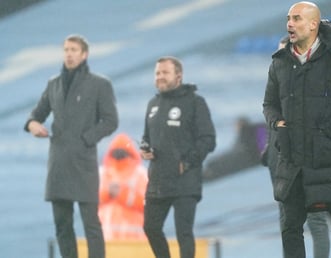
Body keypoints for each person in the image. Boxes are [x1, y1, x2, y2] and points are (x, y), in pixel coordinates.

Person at [262, 2, 331, 258]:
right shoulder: (279, 63)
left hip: (329, 159)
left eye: (296, 18)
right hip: (293, 163)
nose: (289, 24)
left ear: (313, 24)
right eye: (288, 19)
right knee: (290, 230)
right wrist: (278, 124)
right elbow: (269, 104)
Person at [24, 34, 118, 258]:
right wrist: (32, 125)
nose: (69, 53)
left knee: (91, 225)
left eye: (74, 49)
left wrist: (86, 139)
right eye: (66, 49)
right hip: (59, 163)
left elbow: (110, 120)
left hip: (83, 161)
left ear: (84, 54)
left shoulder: (99, 84)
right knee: (62, 225)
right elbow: (36, 115)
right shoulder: (53, 83)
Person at [261, 34, 330, 258]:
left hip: (309, 162)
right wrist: (268, 153)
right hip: (280, 164)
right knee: (287, 223)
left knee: (316, 220)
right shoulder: (275, 90)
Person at [141, 56, 216, 258]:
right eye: (157, 73)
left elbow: (209, 139)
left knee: (184, 233)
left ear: (179, 76)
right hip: (158, 178)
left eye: (165, 72)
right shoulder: (153, 104)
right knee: (150, 227)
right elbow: (147, 137)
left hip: (185, 179)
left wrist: (188, 162)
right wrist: (145, 148)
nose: (160, 77)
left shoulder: (195, 102)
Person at [98, 133, 148, 240]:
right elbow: (91, 201)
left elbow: (149, 204)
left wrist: (122, 194)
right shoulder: (101, 174)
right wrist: (108, 193)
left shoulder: (140, 175)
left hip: (135, 243)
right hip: (106, 240)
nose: (119, 155)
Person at [203, 116, 266, 181]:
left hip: (249, 158)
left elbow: (242, 149)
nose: (236, 127)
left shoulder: (247, 131)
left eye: (237, 125)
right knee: (220, 163)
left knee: (221, 164)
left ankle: (208, 174)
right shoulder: (255, 130)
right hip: (249, 158)